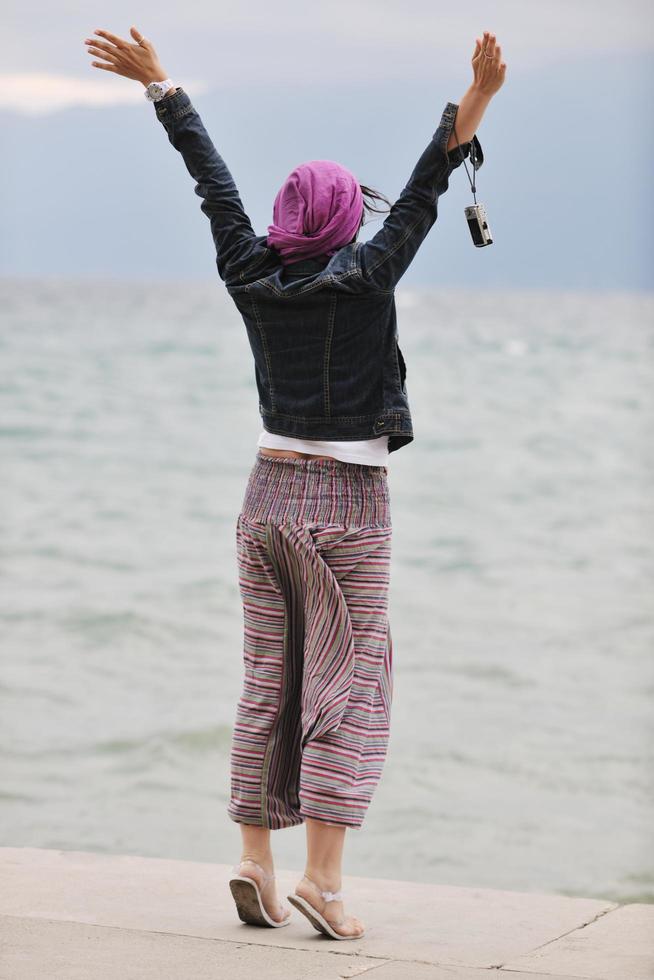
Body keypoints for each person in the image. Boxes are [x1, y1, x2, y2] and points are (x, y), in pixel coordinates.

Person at [84, 24, 506, 940]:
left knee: (267, 677)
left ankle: (252, 861)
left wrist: (161, 85)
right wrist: (478, 99)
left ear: (287, 222)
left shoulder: (249, 271)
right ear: (347, 222)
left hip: (264, 497)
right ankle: (323, 881)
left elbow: (215, 185)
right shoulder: (369, 273)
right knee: (349, 680)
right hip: (349, 503)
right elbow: (429, 183)